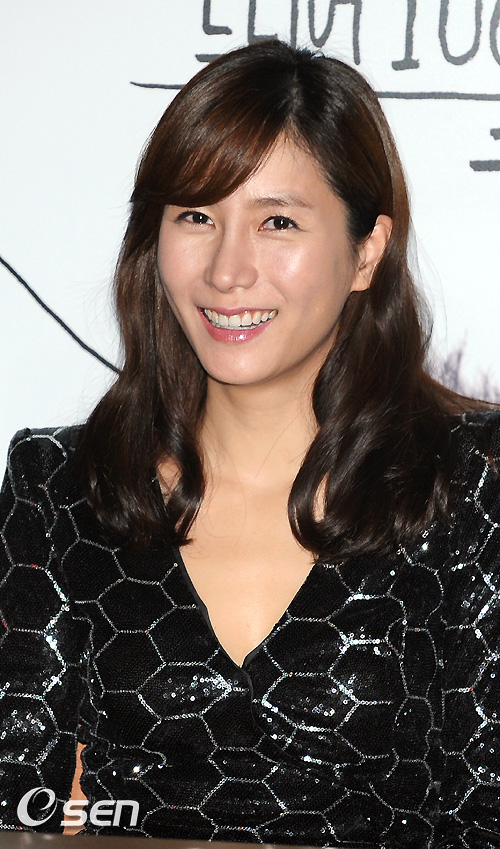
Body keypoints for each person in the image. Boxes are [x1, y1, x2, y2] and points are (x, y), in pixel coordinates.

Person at [0, 38, 499, 848]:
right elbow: (19, 800)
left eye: (277, 221)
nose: (228, 271)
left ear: (366, 251)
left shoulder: (473, 484)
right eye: (196, 216)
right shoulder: (60, 486)